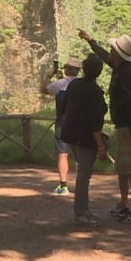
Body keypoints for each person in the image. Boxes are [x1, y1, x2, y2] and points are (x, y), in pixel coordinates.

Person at [79, 30, 131, 224]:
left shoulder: (127, 73)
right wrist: (91, 42)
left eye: (113, 49)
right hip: (123, 124)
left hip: (128, 126)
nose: (110, 51)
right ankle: (125, 204)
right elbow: (106, 57)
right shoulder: (121, 68)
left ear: (119, 53)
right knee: (123, 168)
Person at [60, 54, 108, 225]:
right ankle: (80, 212)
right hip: (85, 138)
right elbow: (95, 122)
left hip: (70, 134)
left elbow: (65, 107)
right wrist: (100, 146)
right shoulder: (94, 91)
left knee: (82, 173)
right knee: (83, 175)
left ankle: (84, 210)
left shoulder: (74, 85)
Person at [40, 57, 82, 195]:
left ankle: (63, 185)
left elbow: (44, 89)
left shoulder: (60, 84)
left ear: (67, 69)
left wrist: (49, 75)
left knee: (62, 154)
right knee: (80, 154)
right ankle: (82, 184)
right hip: (79, 122)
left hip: (63, 122)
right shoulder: (83, 84)